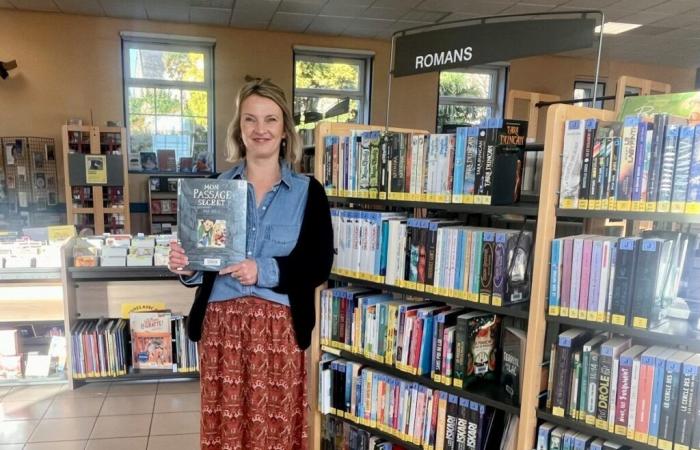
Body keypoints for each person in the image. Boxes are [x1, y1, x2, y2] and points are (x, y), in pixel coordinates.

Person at [168, 78, 333, 450]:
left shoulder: (310, 192)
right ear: (239, 129)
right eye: (250, 120)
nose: (261, 130)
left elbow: (318, 264)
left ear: (285, 130)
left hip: (280, 329)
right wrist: (187, 266)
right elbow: (203, 266)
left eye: (271, 120)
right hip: (221, 327)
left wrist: (265, 270)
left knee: (274, 433)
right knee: (225, 429)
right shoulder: (213, 188)